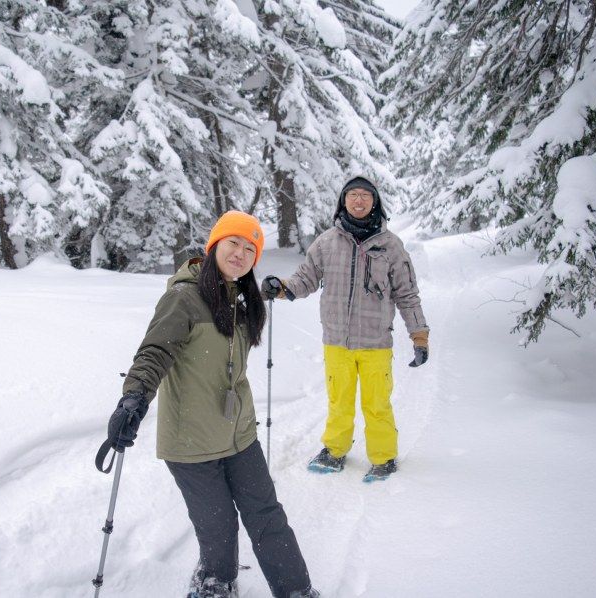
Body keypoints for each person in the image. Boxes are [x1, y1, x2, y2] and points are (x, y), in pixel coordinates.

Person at [105, 211, 319, 598]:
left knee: (267, 514)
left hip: (239, 432)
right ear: (214, 244)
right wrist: (134, 397)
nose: (240, 253)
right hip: (191, 441)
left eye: (250, 249)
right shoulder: (183, 297)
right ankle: (215, 584)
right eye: (233, 243)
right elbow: (154, 352)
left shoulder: (242, 298)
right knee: (217, 526)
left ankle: (296, 590)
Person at [261, 176, 429, 483]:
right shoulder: (327, 242)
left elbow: (407, 294)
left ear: (375, 202)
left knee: (376, 405)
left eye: (365, 195)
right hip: (336, 341)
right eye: (353, 195)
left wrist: (419, 336)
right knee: (339, 402)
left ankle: (383, 457)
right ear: (344, 201)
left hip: (376, 342)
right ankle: (334, 451)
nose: (359, 200)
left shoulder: (390, 245)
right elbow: (305, 279)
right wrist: (281, 287)